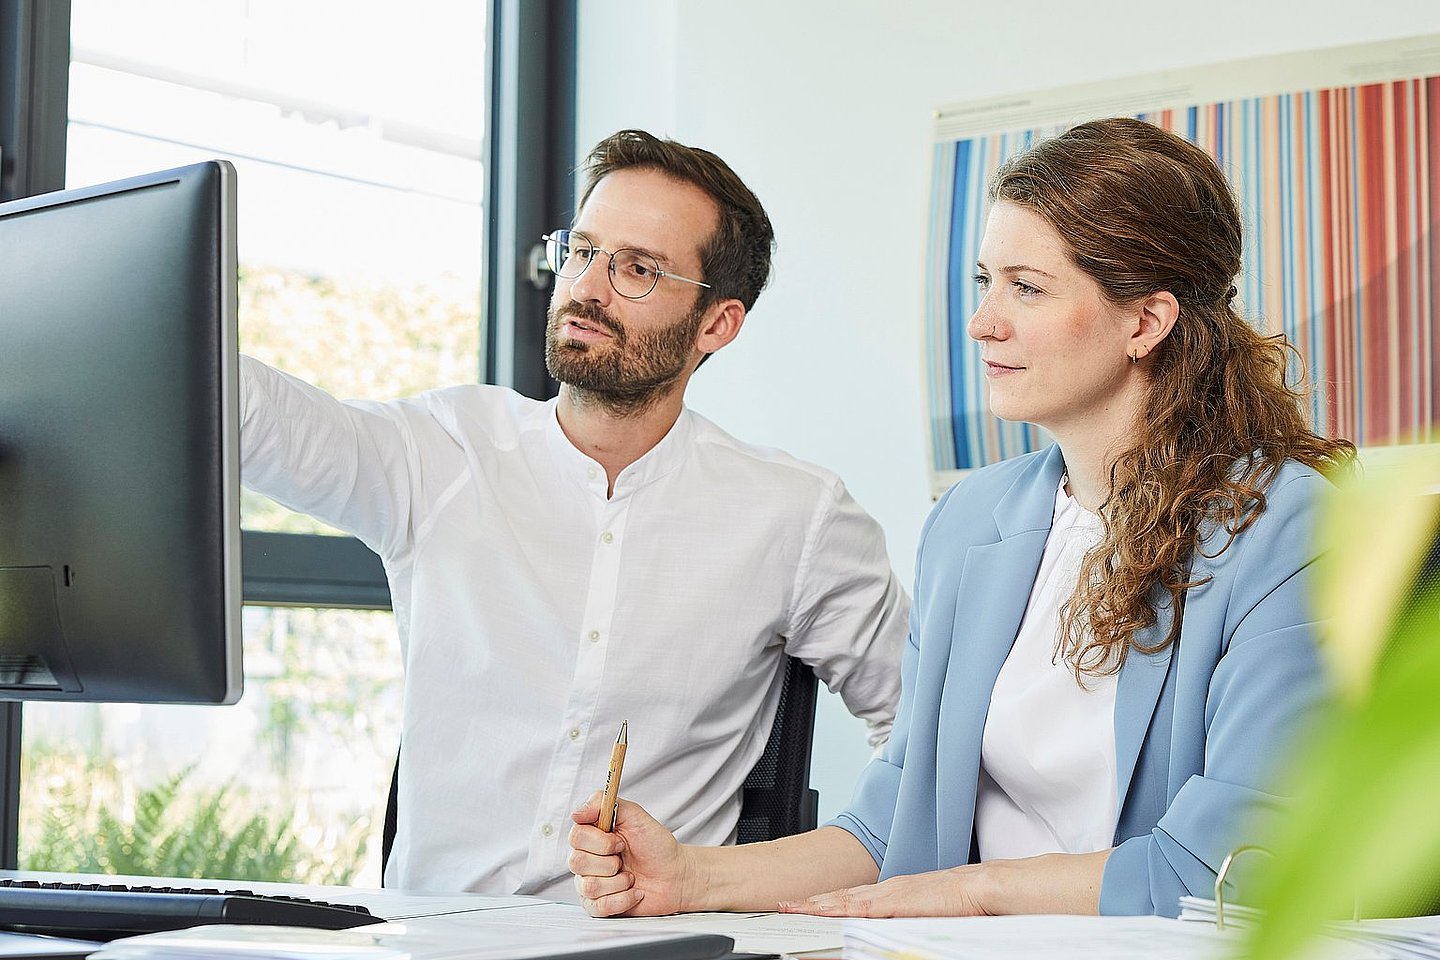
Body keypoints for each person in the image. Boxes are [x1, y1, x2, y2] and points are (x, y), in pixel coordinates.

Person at [567, 117, 1355, 919]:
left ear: (1144, 323)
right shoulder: (973, 521)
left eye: (1027, 286)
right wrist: (691, 879)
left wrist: (971, 892)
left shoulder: (1285, 527)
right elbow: (890, 825)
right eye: (985, 281)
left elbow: (1234, 861)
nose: (982, 321)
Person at [239, 129, 909, 898]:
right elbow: (264, 424)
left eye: (637, 269)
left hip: (649, 948)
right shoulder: (445, 452)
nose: (588, 287)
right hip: (429, 944)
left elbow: (925, 747)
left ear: (717, 325)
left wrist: (753, 880)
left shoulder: (797, 517)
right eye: (582, 251)